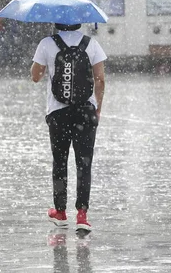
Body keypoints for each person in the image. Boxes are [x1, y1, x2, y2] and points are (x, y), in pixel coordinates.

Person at [31, 23, 106, 231]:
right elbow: (100, 80)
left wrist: (43, 64)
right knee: (84, 163)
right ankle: (82, 215)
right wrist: (97, 108)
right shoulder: (91, 44)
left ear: (56, 22)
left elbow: (35, 77)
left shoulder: (47, 43)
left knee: (60, 162)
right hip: (85, 111)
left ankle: (60, 212)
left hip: (58, 112)